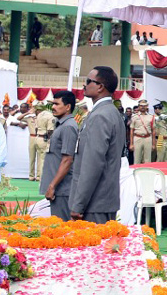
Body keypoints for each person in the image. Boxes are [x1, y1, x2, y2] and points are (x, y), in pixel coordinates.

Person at [69, 66, 125, 223]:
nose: (84, 85)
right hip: (100, 201)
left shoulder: (101, 115)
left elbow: (93, 164)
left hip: (94, 203)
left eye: (88, 81)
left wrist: (78, 204)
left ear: (100, 86)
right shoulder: (108, 112)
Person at [41, 90, 79, 221]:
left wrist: (52, 186)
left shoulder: (68, 127)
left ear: (68, 107)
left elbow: (67, 159)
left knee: (63, 228)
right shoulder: (61, 124)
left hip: (62, 189)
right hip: (59, 188)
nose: (53, 107)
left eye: (57, 104)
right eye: (53, 104)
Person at [32, 104, 55, 179]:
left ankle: (40, 177)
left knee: (40, 160)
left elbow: (35, 128)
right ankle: (43, 179)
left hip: (38, 137)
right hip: (45, 139)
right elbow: (50, 131)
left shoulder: (39, 115)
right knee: (44, 160)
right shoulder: (50, 116)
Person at [130, 99, 156, 165]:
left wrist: (153, 144)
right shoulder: (134, 117)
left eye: (144, 106)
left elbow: (153, 131)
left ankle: (147, 173)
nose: (143, 107)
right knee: (137, 158)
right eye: (141, 106)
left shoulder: (151, 117)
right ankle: (136, 173)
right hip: (137, 138)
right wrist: (131, 144)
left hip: (147, 138)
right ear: (138, 106)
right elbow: (131, 131)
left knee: (148, 159)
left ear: (147, 106)